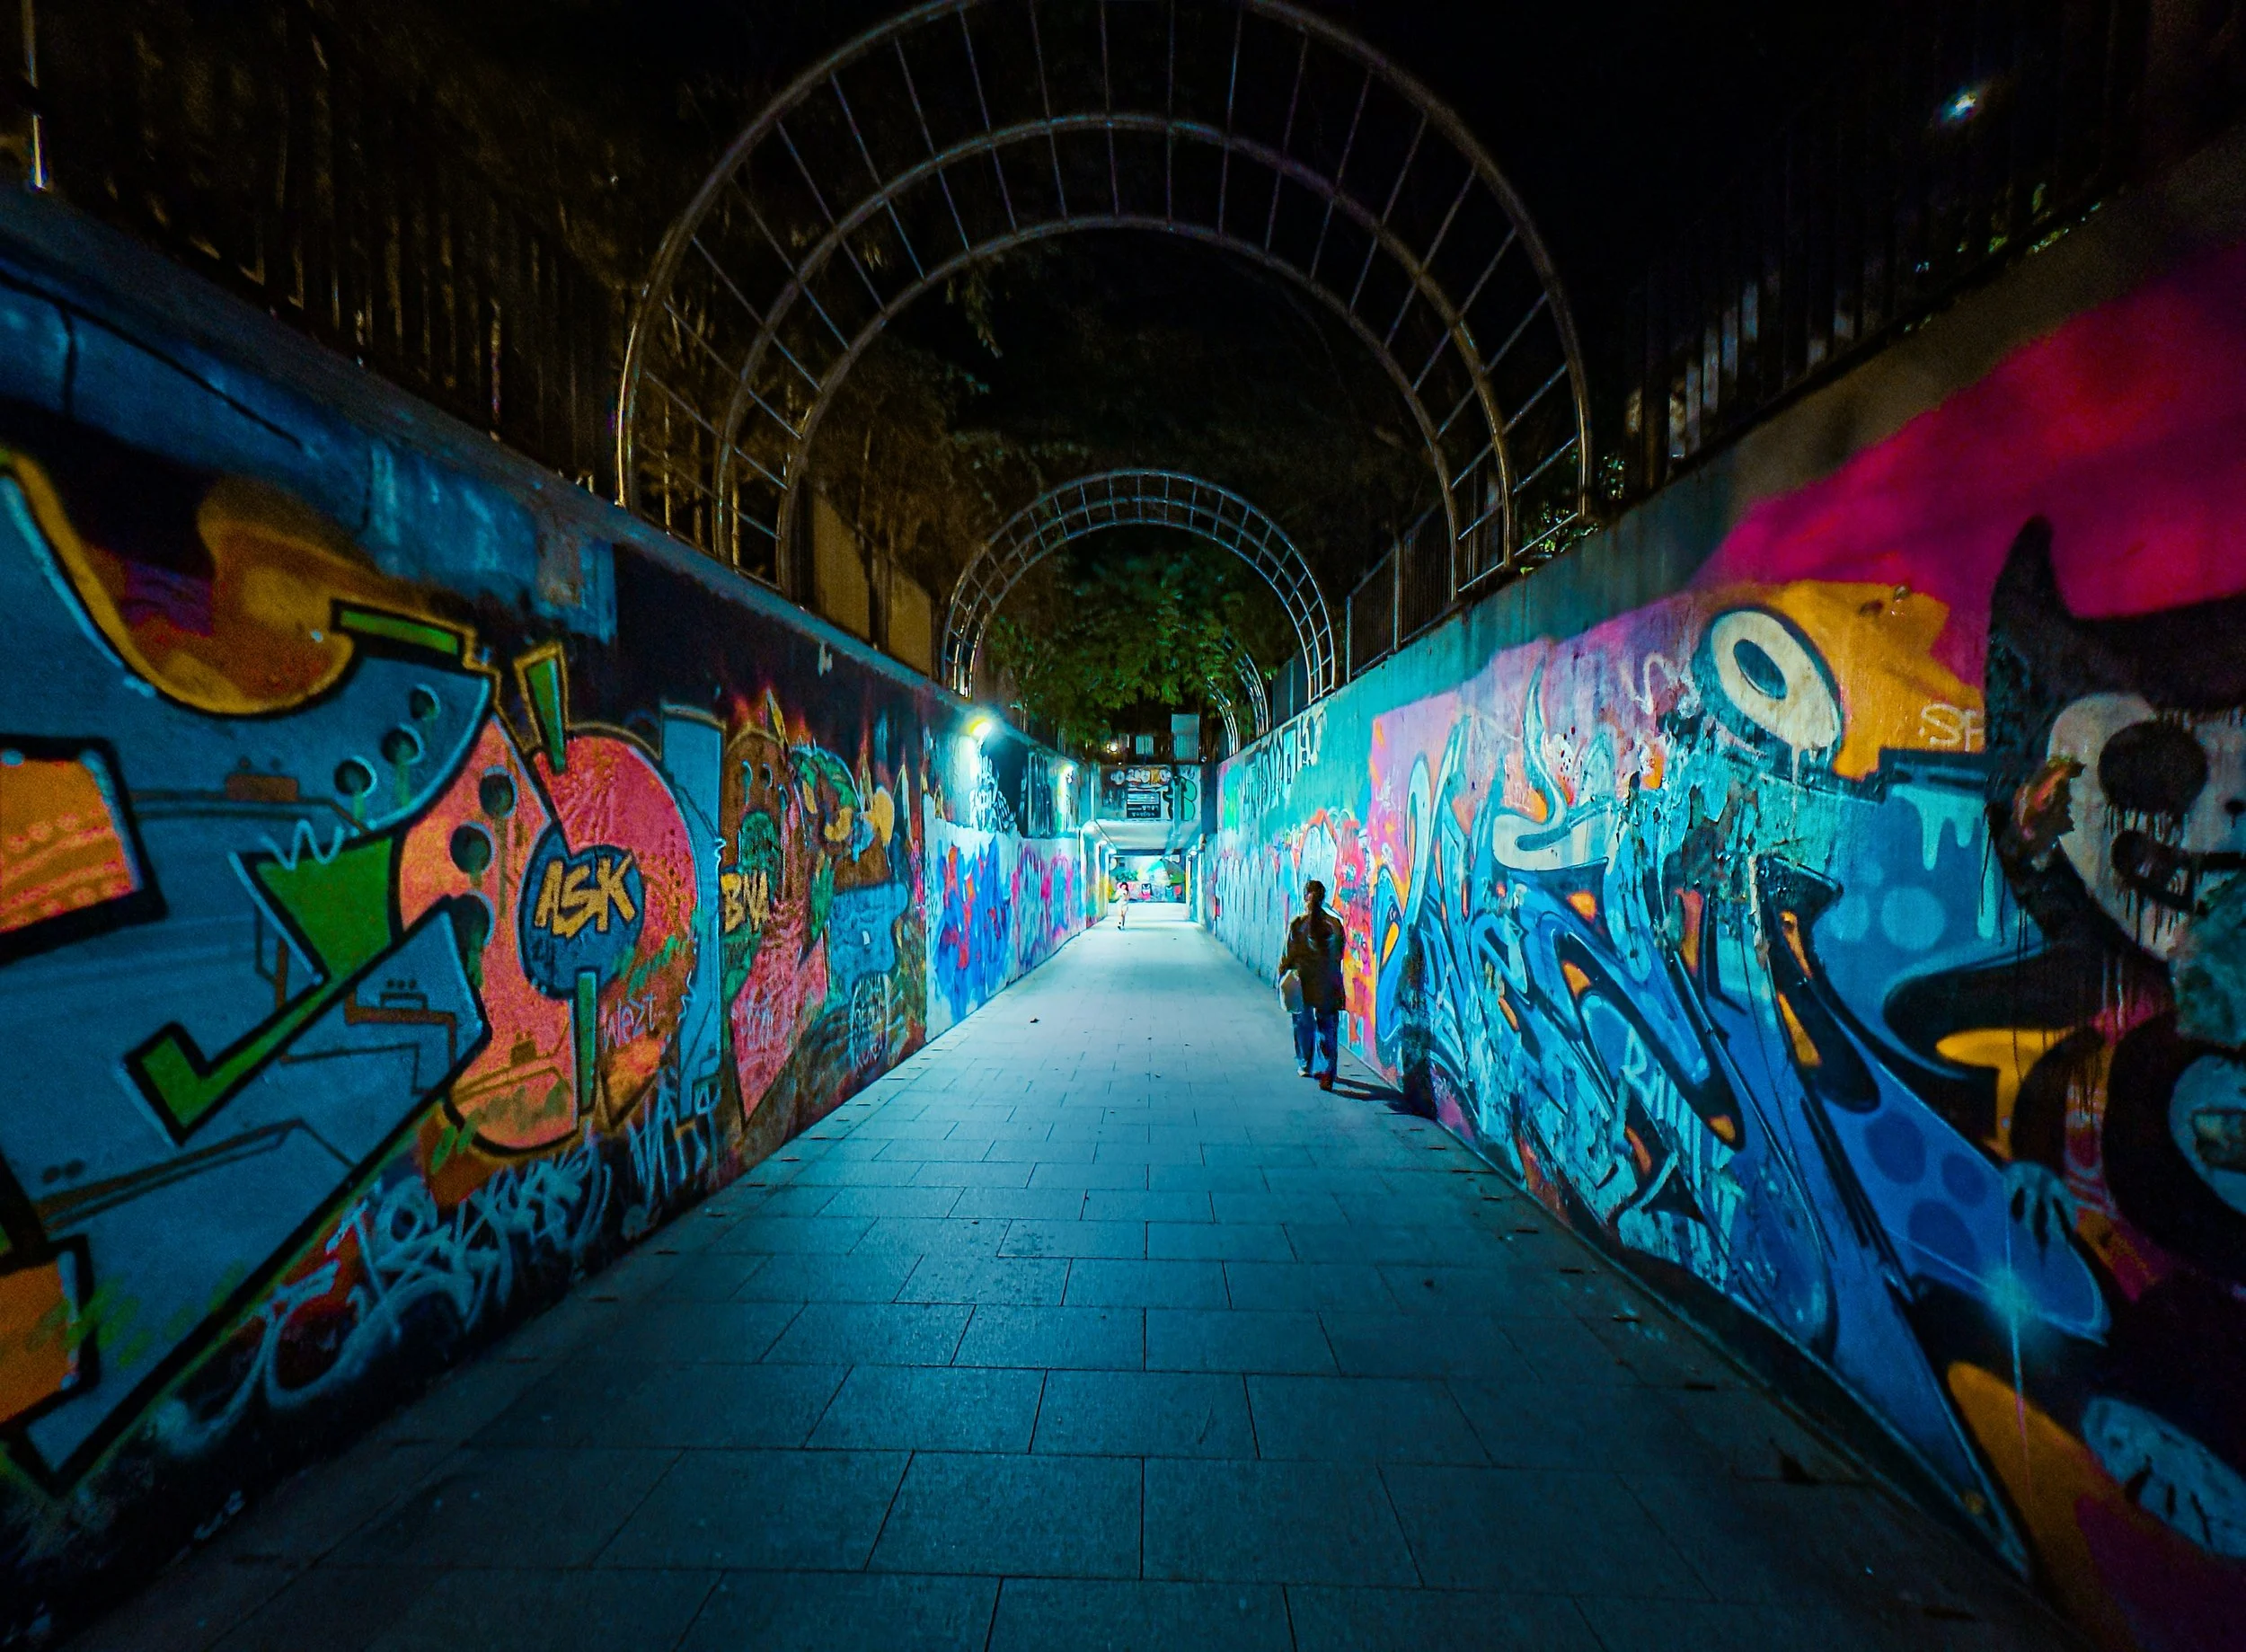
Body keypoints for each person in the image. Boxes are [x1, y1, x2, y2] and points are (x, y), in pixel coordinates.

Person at [1279, 879, 1347, 1089]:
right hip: (1329, 984)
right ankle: (1327, 1070)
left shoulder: (1298, 924)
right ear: (1323, 898)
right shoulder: (1335, 925)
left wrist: (1282, 975)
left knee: (1302, 1024)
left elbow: (1287, 956)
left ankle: (1305, 1064)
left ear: (1305, 897)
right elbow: (1339, 955)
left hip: (1304, 983)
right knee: (1328, 1028)